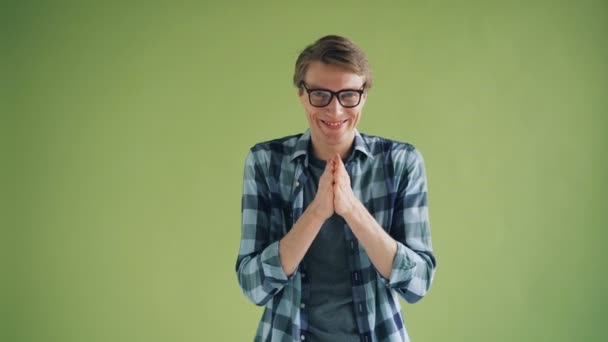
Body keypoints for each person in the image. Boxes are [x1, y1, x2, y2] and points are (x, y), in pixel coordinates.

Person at [236, 35, 436, 342]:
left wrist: (352, 208)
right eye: (320, 94)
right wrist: (316, 212)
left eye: (348, 95)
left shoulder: (400, 162)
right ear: (302, 95)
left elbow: (418, 283)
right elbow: (254, 285)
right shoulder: (266, 162)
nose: (335, 110)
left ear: (363, 96)